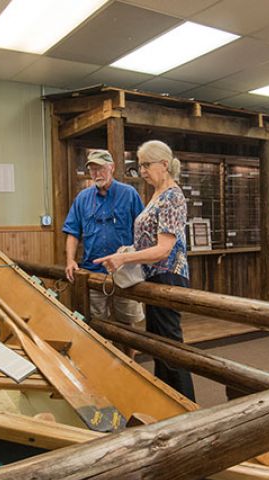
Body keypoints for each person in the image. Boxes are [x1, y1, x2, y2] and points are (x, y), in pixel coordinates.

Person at [94, 140, 195, 401]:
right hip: (153, 276)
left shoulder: (172, 197)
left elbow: (163, 249)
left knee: (171, 348)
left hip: (167, 276)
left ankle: (187, 405)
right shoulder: (156, 195)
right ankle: (168, 402)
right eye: (140, 166)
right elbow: (147, 242)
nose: (142, 171)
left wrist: (124, 259)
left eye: (146, 165)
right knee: (159, 346)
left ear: (164, 164)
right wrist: (126, 252)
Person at [63, 149, 145, 327]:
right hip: (93, 271)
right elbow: (72, 232)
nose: (97, 173)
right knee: (96, 323)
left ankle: (126, 347)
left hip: (126, 271)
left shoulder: (129, 194)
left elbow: (143, 231)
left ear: (112, 168)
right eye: (92, 169)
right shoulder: (82, 198)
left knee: (128, 324)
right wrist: (70, 260)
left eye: (101, 168)